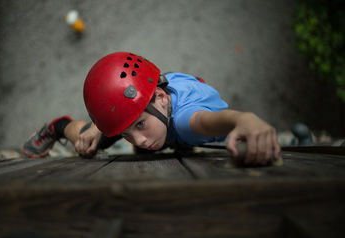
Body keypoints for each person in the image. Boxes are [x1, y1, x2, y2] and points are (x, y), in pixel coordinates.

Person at [23, 51, 281, 165]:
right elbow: (136, 124)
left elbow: (209, 121)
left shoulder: (185, 121)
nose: (139, 141)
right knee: (90, 142)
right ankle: (58, 127)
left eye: (139, 127)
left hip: (164, 114)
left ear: (162, 97)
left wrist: (244, 120)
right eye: (127, 135)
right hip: (150, 107)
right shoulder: (151, 109)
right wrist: (99, 128)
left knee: (176, 137)